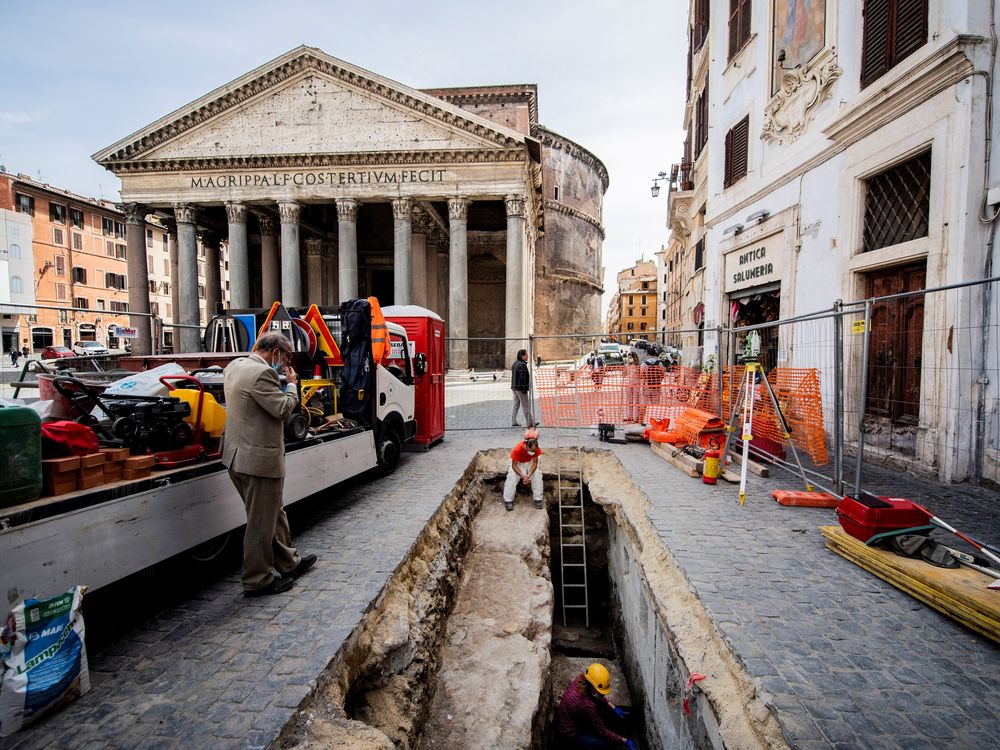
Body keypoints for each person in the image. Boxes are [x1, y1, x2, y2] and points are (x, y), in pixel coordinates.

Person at [222, 331, 317, 597]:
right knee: (261, 522)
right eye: (286, 357)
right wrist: (291, 385)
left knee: (273, 514)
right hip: (257, 460)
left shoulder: (236, 365)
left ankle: (289, 563)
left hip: (237, 456)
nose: (287, 363)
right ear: (274, 352)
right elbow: (283, 410)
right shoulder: (262, 374)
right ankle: (257, 579)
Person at [556, 663, 636, 749]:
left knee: (602, 709)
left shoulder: (582, 679)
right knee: (605, 744)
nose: (602, 695)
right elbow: (602, 730)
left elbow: (598, 696)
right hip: (570, 732)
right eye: (601, 693)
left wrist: (613, 707)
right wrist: (624, 740)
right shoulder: (587, 704)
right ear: (592, 687)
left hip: (571, 717)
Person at [503, 428, 543, 511]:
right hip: (518, 463)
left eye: (534, 451)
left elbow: (535, 463)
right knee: (512, 476)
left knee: (537, 474)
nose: (533, 452)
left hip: (529, 463)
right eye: (531, 450)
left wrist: (529, 474)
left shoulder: (536, 449)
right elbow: (514, 465)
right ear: (527, 446)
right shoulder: (517, 449)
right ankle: (508, 500)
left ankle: (538, 499)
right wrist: (522, 475)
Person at [511, 348, 535, 427]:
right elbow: (522, 378)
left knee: (516, 404)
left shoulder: (515, 363)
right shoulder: (522, 365)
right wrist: (524, 389)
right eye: (526, 354)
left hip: (514, 387)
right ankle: (530, 422)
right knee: (525, 405)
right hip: (520, 388)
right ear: (522, 356)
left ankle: (513, 421)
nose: (527, 356)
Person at [624, 351, 642, 424]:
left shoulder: (638, 365)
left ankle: (636, 417)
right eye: (629, 357)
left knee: (636, 401)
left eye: (631, 357)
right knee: (629, 401)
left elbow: (641, 374)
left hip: (636, 384)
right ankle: (630, 416)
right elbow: (624, 374)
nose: (630, 359)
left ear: (635, 358)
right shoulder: (627, 365)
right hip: (628, 384)